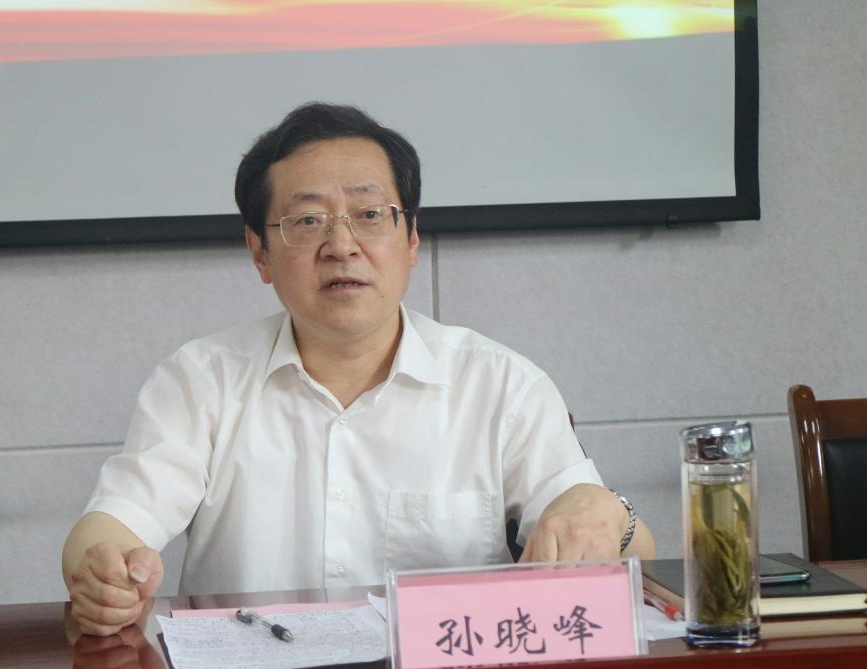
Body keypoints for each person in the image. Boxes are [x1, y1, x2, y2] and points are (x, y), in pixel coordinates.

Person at [62, 103, 654, 636]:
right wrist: (104, 572)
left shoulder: (501, 386)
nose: (342, 245)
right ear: (260, 253)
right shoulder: (200, 381)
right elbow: (112, 525)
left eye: (370, 214)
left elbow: (632, 550)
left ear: (411, 238)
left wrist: (606, 515)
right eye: (307, 221)